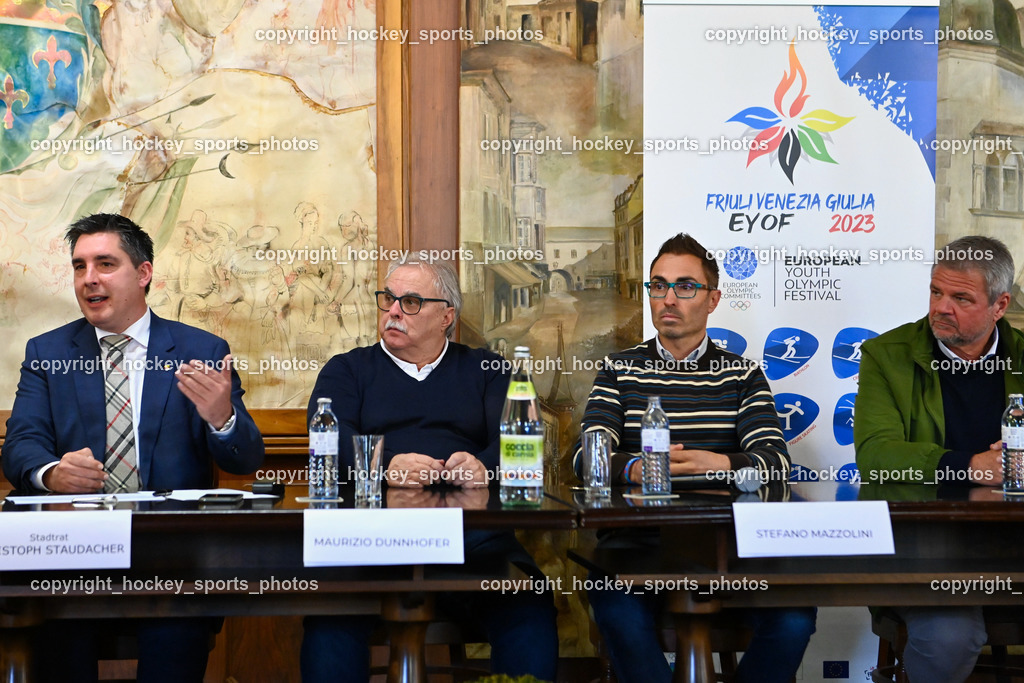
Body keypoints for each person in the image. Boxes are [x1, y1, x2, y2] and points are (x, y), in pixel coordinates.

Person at [2, 213, 265, 682]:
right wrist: (50, 473)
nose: (90, 279)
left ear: (143, 273)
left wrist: (221, 417)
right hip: (73, 555)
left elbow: (244, 459)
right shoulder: (49, 353)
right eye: (80, 266)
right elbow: (21, 444)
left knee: (175, 634)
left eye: (105, 263)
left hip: (172, 556)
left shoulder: (198, 349)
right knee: (56, 633)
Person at [301, 260, 557, 683]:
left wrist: (481, 466)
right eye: (388, 299)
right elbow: (326, 443)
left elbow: (519, 442)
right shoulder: (347, 369)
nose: (394, 311)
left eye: (412, 302)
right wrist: (385, 465)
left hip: (472, 540)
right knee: (331, 613)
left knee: (528, 603)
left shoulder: (487, 369)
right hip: (370, 539)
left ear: (446, 317)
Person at [574, 233, 816, 683]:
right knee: (612, 602)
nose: (669, 298)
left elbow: (775, 461)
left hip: (734, 543)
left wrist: (720, 465)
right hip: (639, 543)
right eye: (658, 286)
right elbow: (586, 456)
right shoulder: (618, 369)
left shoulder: (742, 374)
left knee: (796, 617)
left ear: (713, 299)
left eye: (686, 286)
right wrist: (638, 467)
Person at [855, 235, 1023, 682]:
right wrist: (969, 466)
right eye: (936, 292)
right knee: (950, 634)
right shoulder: (886, 357)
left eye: (960, 297)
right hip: (921, 541)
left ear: (999, 305)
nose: (941, 307)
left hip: (1011, 538)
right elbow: (876, 456)